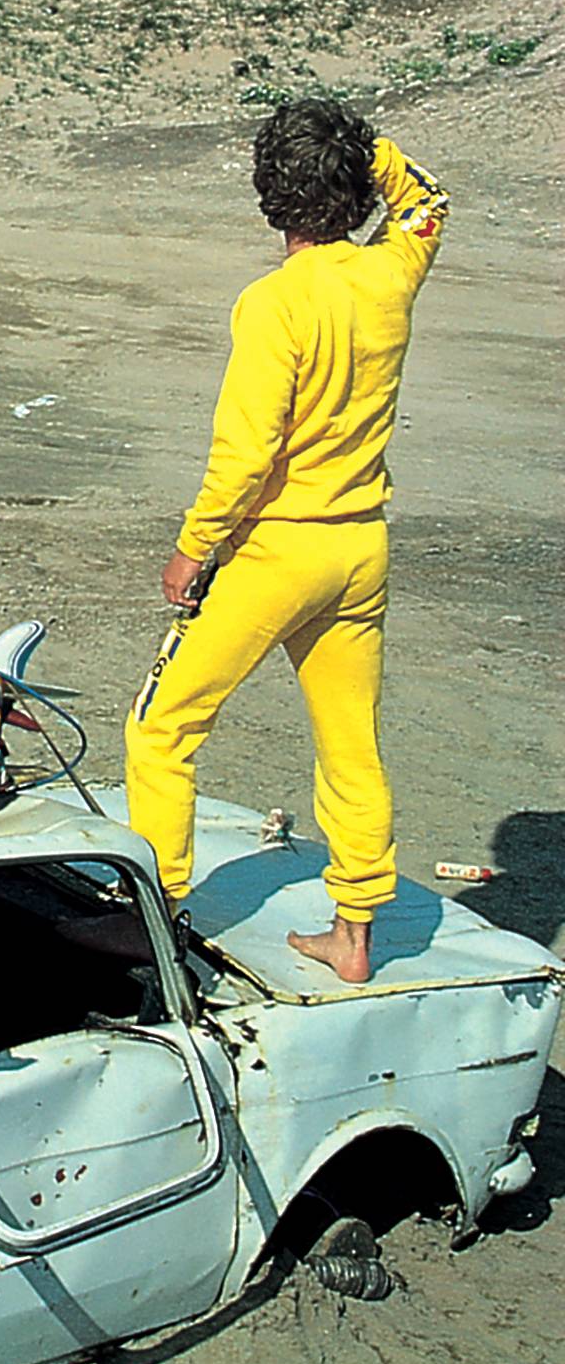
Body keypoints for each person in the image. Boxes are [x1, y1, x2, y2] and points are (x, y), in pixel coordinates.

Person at [125, 105, 448, 985]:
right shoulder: (391, 274)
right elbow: (428, 198)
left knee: (163, 730)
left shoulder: (271, 305)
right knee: (350, 742)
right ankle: (353, 933)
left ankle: (155, 917)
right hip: (360, 550)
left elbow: (244, 454)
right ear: (348, 191)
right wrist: (354, 147)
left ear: (271, 199)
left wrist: (194, 548)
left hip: (278, 552)